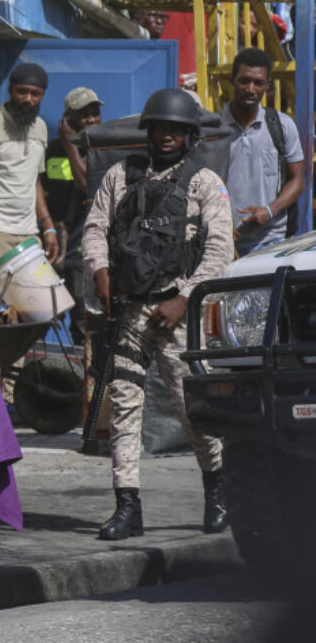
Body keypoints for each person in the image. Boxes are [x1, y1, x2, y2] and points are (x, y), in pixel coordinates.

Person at [83, 88, 234, 541]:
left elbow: (221, 249)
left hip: (179, 314)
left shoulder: (204, 182)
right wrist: (101, 269)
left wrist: (185, 298)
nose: (166, 136)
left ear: (189, 136)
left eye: (176, 130)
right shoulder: (120, 176)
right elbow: (95, 228)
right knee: (125, 408)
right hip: (131, 310)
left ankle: (219, 493)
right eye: (160, 128)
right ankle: (127, 506)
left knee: (192, 409)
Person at [0, 62, 60, 268]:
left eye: (35, 94)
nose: (28, 99)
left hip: (29, 234)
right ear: (10, 90)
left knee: (35, 299)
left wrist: (48, 227)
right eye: (22, 92)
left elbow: (35, 181)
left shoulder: (40, 128)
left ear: (43, 95)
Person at [221, 47, 303, 255]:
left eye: (258, 83)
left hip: (270, 242)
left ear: (267, 86)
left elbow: (297, 180)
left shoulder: (282, 126)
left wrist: (269, 210)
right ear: (232, 81)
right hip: (221, 244)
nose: (250, 89)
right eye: (244, 80)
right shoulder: (213, 129)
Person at [42, 86, 103, 345]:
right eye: (84, 115)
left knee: (82, 321)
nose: (91, 120)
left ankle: (84, 382)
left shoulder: (99, 152)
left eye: (95, 113)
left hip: (80, 252)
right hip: (50, 248)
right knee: (41, 318)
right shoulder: (50, 150)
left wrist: (70, 144)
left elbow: (85, 184)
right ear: (68, 118)